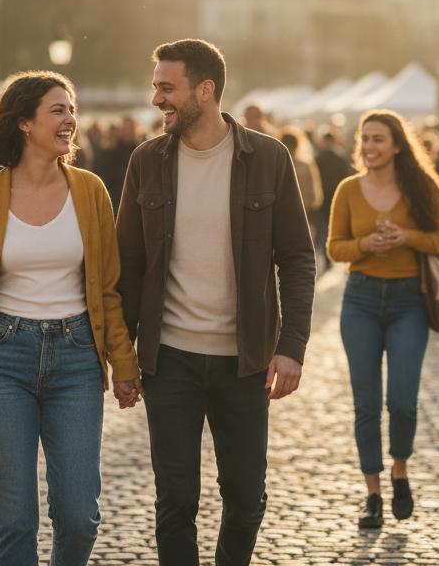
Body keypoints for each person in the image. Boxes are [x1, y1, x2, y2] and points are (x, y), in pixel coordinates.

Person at [116, 39, 315, 564]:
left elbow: (297, 257)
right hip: (170, 360)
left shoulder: (268, 158)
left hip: (245, 361)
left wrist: (291, 346)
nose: (156, 98)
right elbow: (127, 265)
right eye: (156, 86)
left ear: (205, 90)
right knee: (176, 502)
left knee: (247, 501)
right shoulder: (147, 161)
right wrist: (121, 356)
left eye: (166, 87)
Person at [0, 71, 141, 566]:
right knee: (15, 519)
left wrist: (125, 364)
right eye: (58, 110)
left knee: (79, 515)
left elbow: (109, 289)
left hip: (77, 360)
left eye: (72, 108)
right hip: (1, 362)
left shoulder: (91, 191)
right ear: (25, 122)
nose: (70, 119)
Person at [327, 109, 439, 528]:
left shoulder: (421, 187)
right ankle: (373, 494)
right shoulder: (348, 190)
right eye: (364, 138)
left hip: (408, 303)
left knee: (401, 401)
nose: (369, 146)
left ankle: (400, 472)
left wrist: (407, 238)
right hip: (360, 300)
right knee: (366, 405)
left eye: (378, 139)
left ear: (398, 144)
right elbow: (334, 248)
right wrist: (366, 243)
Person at [314, 131, 355, 266]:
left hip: (323, 195)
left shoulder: (318, 157)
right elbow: (346, 175)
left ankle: (327, 256)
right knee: (334, 225)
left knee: (324, 225)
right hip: (336, 194)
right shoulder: (340, 157)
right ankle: (329, 254)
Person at [280, 127, 324, 224]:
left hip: (302, 211)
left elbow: (313, 192)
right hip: (285, 212)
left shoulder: (305, 164)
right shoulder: (277, 164)